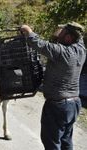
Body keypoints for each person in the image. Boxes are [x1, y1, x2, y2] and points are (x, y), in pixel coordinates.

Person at [21, 22, 86, 150]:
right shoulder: (81, 50)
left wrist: (28, 31)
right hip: (74, 104)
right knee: (66, 141)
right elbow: (78, 37)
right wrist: (66, 32)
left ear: (68, 38)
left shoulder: (62, 52)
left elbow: (40, 44)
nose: (59, 33)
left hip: (58, 106)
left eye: (62, 32)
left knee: (52, 143)